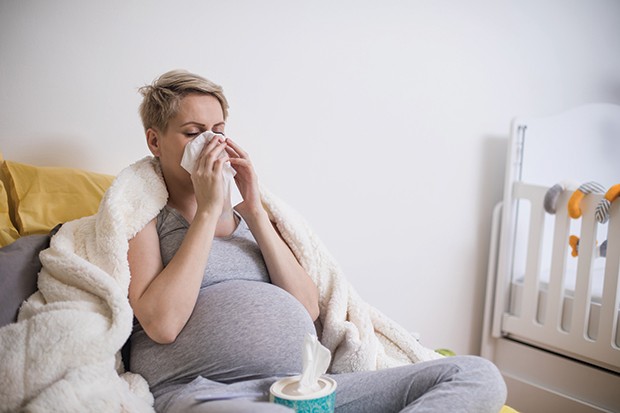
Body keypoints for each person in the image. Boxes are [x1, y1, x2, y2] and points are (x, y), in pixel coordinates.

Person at [127, 69, 507, 413]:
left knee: (475, 374)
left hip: (303, 389)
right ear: (155, 141)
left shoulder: (254, 219)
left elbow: (308, 307)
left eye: (219, 131)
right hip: (207, 394)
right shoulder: (144, 217)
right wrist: (207, 212)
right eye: (193, 133)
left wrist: (256, 211)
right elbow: (162, 324)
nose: (210, 143)